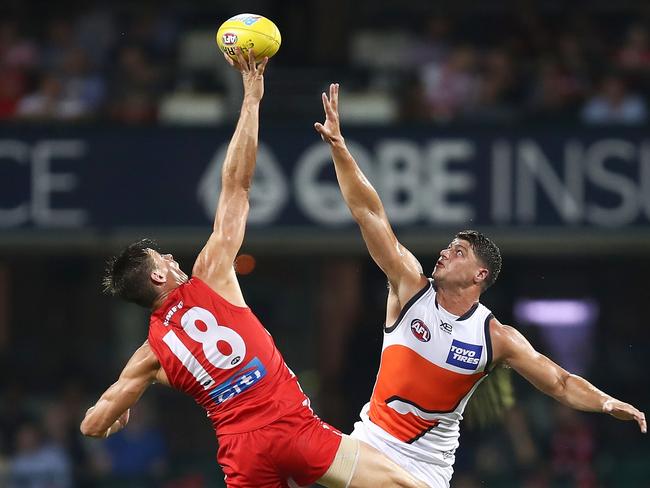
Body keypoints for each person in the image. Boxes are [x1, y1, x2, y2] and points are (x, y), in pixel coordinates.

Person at [80, 51, 427, 488]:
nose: (172, 259)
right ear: (156, 277)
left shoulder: (149, 355)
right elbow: (238, 185)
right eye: (163, 260)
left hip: (242, 451)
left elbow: (91, 427)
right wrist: (251, 98)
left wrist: (116, 417)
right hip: (291, 427)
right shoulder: (210, 274)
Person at [314, 82, 647, 488]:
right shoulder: (408, 288)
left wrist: (606, 402)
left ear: (479, 275)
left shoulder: (496, 338)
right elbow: (369, 213)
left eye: (457, 252)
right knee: (292, 444)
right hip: (369, 446)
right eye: (447, 247)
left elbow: (559, 382)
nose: (443, 253)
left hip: (426, 473)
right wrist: (339, 148)